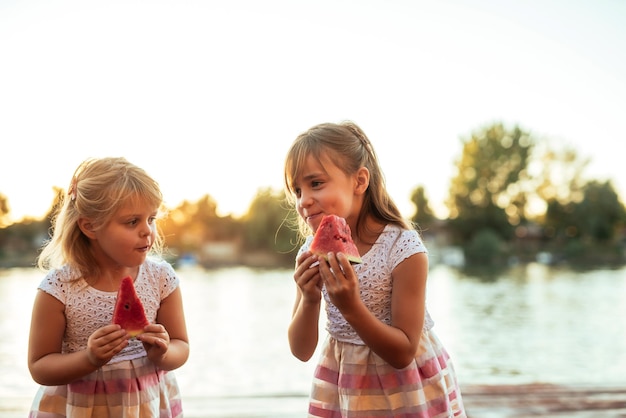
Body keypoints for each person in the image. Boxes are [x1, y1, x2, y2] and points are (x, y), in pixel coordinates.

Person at [284, 121, 466, 417]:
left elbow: (403, 352)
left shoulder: (403, 249)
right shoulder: (310, 251)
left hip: (408, 389)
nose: (304, 201)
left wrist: (351, 307)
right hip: (345, 388)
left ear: (359, 181)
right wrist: (309, 298)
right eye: (297, 190)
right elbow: (301, 350)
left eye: (316, 183)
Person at [28, 157, 189, 418]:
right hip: (79, 408)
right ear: (90, 226)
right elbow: (39, 367)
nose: (147, 231)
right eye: (132, 222)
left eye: (152, 218)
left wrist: (165, 353)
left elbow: (182, 345)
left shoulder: (161, 278)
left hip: (146, 406)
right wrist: (89, 358)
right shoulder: (59, 289)